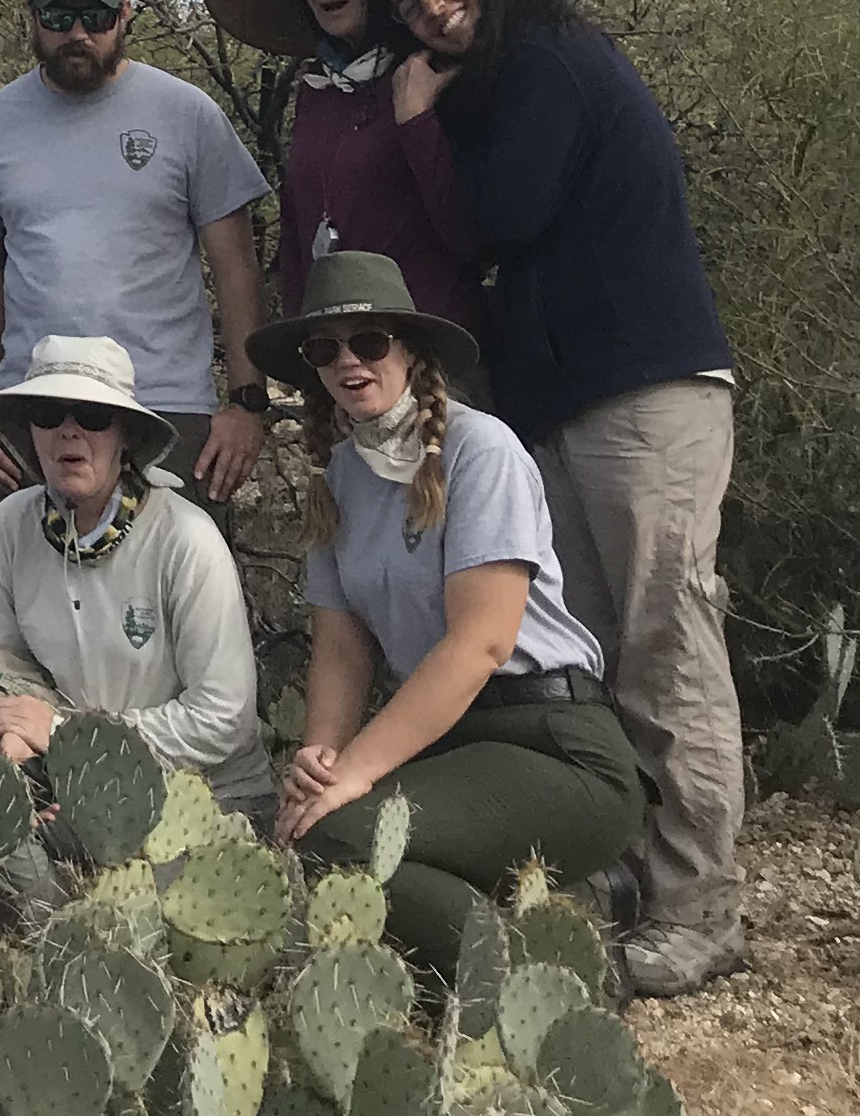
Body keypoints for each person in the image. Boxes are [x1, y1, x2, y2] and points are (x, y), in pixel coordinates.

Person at [376, 0, 747, 998]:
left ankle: (700, 904)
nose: (430, 14)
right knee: (606, 646)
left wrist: (414, 120)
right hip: (579, 398)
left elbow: (499, 214)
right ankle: (637, 868)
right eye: (408, 7)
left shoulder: (547, 64)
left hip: (642, 388)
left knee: (666, 638)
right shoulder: (516, 76)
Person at [259, 253, 644, 980]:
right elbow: (341, 651)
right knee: (305, 834)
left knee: (340, 841)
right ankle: (551, 915)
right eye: (325, 350)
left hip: (553, 741)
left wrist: (353, 780)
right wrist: (320, 764)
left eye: (370, 342)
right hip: (448, 747)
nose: (349, 363)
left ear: (409, 350)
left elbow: (481, 644)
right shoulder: (338, 476)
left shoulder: (481, 449)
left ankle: (526, 983)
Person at [0, 336, 266, 921]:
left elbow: (223, 720)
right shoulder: (11, 525)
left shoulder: (187, 539)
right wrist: (20, 748)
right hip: (65, 780)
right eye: (49, 415)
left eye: (93, 417)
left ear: (126, 437)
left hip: (196, 799)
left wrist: (68, 737)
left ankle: (50, 936)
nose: (70, 433)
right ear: (30, 433)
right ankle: (33, 936)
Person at [0, 0, 273, 501]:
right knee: (35, 586)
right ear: (33, 17)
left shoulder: (188, 114)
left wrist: (247, 401)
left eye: (96, 15)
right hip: (35, 410)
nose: (78, 33)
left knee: (178, 586)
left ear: (125, 15)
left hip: (166, 409)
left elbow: (236, 266)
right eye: (59, 14)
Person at [197, 0, 486, 333]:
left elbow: (470, 231)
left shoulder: (435, 73)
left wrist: (416, 121)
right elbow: (297, 231)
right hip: (338, 362)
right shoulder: (317, 89)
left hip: (435, 354)